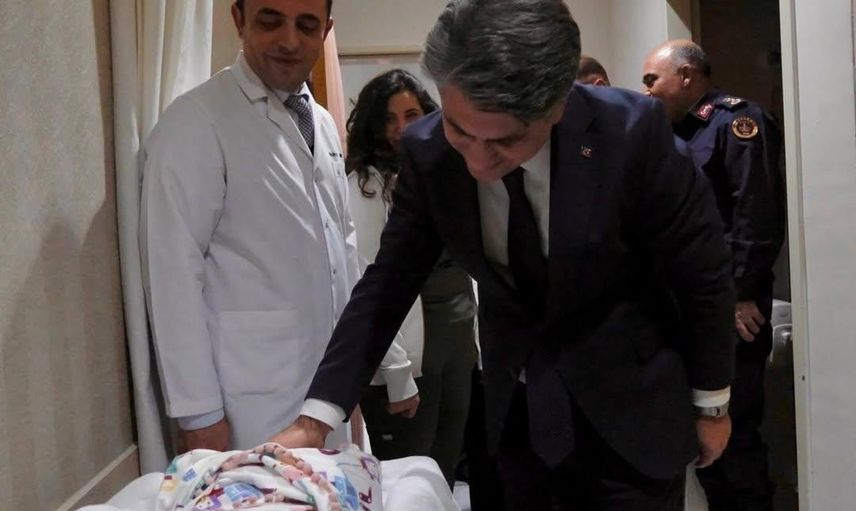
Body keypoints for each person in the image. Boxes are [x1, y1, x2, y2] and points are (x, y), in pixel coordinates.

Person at [273, 1, 737, 509]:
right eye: (460, 131)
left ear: (557, 106)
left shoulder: (629, 134)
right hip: (518, 414)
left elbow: (702, 273)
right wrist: (317, 417)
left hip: (632, 407)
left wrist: (712, 402)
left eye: (504, 142)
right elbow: (388, 284)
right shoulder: (429, 152)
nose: (477, 161)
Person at [139, 0, 417, 453]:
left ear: (325, 30)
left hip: (327, 396)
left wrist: (354, 386)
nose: (289, 41)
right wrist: (199, 415)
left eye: (306, 26)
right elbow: (172, 275)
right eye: (270, 21)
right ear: (239, 20)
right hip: (246, 403)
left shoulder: (322, 123)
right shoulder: (196, 122)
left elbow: (344, 257)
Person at [642, 39, 786, 511]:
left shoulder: (736, 123)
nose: (645, 91)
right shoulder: (673, 132)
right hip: (688, 307)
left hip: (730, 308)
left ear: (685, 76)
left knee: (734, 438)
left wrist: (741, 294)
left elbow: (755, 216)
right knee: (699, 441)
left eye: (652, 80)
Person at [345, 69, 478, 486]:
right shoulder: (365, 185)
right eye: (389, 119)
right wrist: (397, 373)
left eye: (411, 115)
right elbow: (370, 282)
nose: (401, 128)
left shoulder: (447, 173)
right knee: (408, 477)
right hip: (408, 350)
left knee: (446, 469)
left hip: (458, 339)